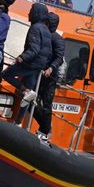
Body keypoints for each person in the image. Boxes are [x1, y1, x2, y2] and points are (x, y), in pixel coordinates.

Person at [0, 2, 52, 110]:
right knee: (28, 98)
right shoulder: (47, 30)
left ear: (36, 14)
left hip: (30, 63)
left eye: (31, 11)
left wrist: (22, 57)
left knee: (6, 74)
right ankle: (19, 121)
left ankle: (26, 91)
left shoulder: (35, 28)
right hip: (39, 66)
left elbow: (34, 49)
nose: (29, 13)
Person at [32, 11, 66, 142]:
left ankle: (45, 130)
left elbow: (59, 58)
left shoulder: (57, 39)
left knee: (46, 105)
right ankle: (45, 127)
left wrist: (51, 68)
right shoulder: (43, 34)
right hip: (37, 72)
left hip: (49, 77)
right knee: (30, 99)